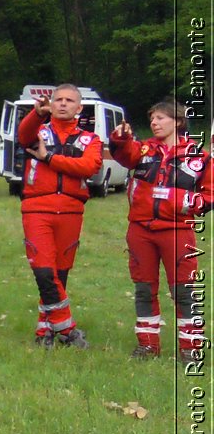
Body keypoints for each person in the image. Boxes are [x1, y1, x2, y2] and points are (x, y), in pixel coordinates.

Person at [110, 100, 212, 361]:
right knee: (144, 289)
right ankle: (147, 345)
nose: (154, 123)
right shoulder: (143, 149)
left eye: (160, 118)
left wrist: (173, 200)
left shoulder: (198, 157)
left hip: (178, 232)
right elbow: (123, 154)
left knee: (184, 291)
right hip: (140, 230)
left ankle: (190, 349)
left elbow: (208, 197)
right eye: (152, 118)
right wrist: (119, 139)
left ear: (177, 122)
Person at [17, 84, 102, 348]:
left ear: (79, 108)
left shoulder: (91, 139)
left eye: (69, 100)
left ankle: (45, 333)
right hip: (37, 209)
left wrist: (49, 158)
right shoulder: (37, 131)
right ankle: (67, 329)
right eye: (59, 100)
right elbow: (23, 135)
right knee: (44, 272)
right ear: (51, 105)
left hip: (71, 211)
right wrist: (36, 114)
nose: (63, 104)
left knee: (59, 275)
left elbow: (89, 167)